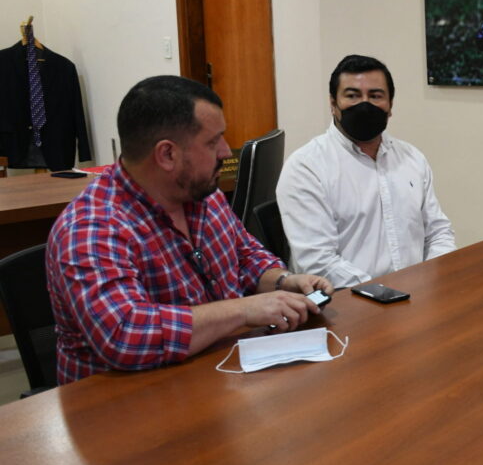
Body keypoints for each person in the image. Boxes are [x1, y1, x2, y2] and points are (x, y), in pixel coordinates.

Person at [46, 76, 333, 385]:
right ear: (167, 154)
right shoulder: (92, 229)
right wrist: (244, 310)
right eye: (213, 142)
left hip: (215, 381)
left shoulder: (203, 195)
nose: (226, 152)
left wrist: (285, 282)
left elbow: (244, 257)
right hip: (125, 408)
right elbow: (126, 334)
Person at [276, 55, 455, 288]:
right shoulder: (306, 168)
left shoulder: (412, 158)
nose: (364, 104)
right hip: (345, 307)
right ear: (333, 104)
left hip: (417, 299)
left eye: (375, 96)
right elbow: (318, 263)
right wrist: (387, 293)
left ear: (390, 105)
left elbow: (438, 233)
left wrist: (431, 281)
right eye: (352, 96)